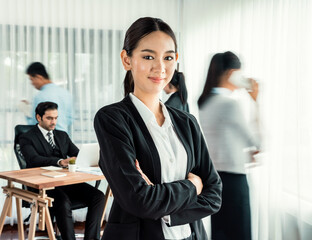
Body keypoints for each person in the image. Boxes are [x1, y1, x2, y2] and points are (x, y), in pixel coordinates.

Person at [94, 17, 222, 240]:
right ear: (126, 59)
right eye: (148, 56)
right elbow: (139, 200)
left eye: (168, 57)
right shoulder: (112, 119)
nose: (160, 67)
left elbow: (214, 195)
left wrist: (163, 208)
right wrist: (192, 186)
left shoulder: (187, 122)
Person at [197, 51, 261, 240]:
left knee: (221, 234)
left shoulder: (205, 103)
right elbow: (257, 142)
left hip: (215, 180)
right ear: (231, 73)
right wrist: (256, 101)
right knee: (239, 235)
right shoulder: (229, 104)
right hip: (234, 182)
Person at [20, 101, 104, 240]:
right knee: (63, 201)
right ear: (38, 117)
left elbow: (77, 154)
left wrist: (84, 159)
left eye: (56, 118)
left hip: (64, 182)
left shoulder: (62, 135)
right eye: (49, 118)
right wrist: (59, 161)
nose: (54, 122)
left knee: (98, 196)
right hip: (43, 185)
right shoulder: (27, 137)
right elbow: (33, 159)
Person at [23, 62, 73, 133]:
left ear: (38, 77)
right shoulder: (66, 94)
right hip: (65, 140)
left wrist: (26, 111)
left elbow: (35, 124)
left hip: (46, 141)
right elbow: (70, 119)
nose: (32, 83)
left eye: (31, 79)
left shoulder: (40, 96)